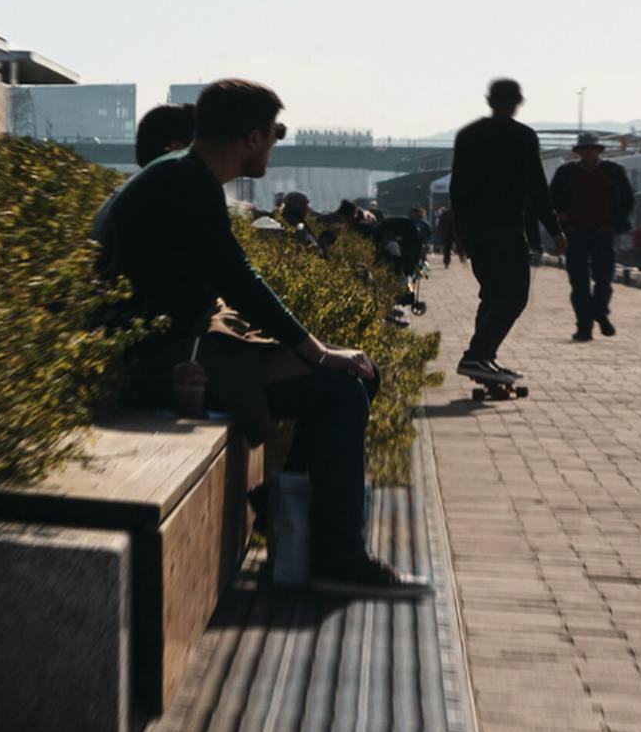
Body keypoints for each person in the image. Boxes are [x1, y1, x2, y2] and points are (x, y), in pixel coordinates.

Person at [93, 77, 409, 592]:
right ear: (254, 138)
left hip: (176, 345)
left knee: (356, 377)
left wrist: (314, 353)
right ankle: (333, 554)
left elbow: (225, 278)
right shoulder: (186, 181)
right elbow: (238, 279)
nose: (275, 146)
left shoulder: (177, 174)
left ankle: (284, 516)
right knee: (342, 389)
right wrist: (318, 352)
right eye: (276, 134)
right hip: (160, 362)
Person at [449, 79, 555, 388]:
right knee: (514, 295)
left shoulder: (468, 135)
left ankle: (483, 362)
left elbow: (457, 187)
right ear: (518, 102)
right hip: (506, 227)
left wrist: (459, 233)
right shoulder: (522, 136)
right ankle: (476, 355)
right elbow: (536, 186)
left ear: (489, 100)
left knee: (492, 294)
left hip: (475, 230)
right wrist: (555, 229)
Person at [553, 132, 628, 340]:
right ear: (577, 152)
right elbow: (553, 200)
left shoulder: (614, 171)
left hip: (603, 232)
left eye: (592, 149)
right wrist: (563, 223)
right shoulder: (565, 173)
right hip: (575, 233)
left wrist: (614, 224)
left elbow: (627, 201)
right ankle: (584, 327)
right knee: (579, 283)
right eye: (584, 149)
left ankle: (600, 313)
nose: (588, 152)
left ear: (599, 151)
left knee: (604, 280)